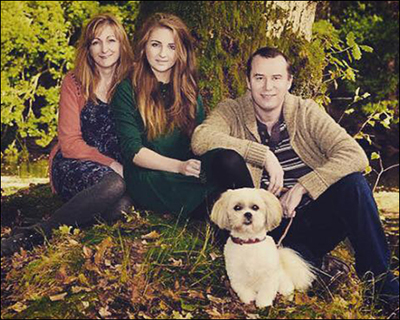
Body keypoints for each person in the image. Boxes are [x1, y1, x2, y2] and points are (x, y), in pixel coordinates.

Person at [191, 47, 399, 309]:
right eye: (259, 78)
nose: (268, 87)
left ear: (289, 81)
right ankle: (306, 269)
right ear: (248, 81)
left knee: (355, 185)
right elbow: (201, 139)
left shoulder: (305, 112)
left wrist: (304, 187)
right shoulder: (231, 111)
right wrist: (262, 154)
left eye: (276, 78)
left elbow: (355, 155)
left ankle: (381, 288)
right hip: (258, 232)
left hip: (308, 221)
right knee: (227, 159)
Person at [1, 13, 134, 256]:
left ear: (122, 44)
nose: (104, 49)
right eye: (96, 42)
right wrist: (112, 164)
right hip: (75, 163)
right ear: (88, 48)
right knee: (114, 184)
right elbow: (70, 143)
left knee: (121, 208)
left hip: (119, 171)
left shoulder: (134, 81)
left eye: (111, 41)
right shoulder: (73, 82)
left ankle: (53, 220)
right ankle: (35, 235)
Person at [111, 13, 250, 219]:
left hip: (190, 167)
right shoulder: (127, 90)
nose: (162, 54)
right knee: (222, 206)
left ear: (181, 52)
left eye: (171, 47)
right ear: (144, 47)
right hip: (152, 176)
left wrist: (201, 166)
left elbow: (200, 138)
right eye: (156, 45)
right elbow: (134, 152)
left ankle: (264, 216)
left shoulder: (187, 88)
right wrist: (178, 167)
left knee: (229, 160)